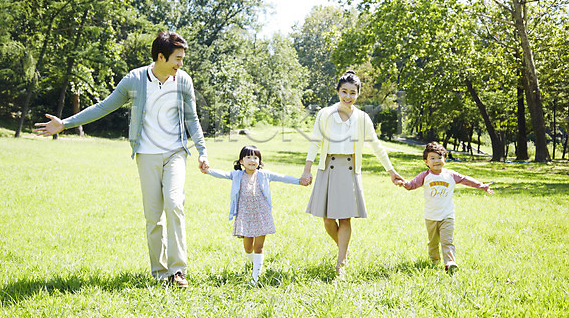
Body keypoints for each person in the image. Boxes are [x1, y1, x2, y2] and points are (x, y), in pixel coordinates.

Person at [34, 31, 208, 288]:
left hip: (175, 152)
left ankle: (178, 270)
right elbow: (104, 106)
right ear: (161, 57)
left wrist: (202, 151)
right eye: (177, 58)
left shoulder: (183, 80)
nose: (181, 64)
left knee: (174, 204)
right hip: (146, 154)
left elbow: (192, 118)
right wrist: (66, 123)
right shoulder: (135, 79)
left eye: (182, 59)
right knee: (153, 216)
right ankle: (161, 274)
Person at [300, 70, 404, 278]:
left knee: (345, 219)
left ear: (358, 94)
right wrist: (307, 169)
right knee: (328, 220)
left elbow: (376, 145)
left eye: (352, 93)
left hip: (349, 170)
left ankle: (341, 264)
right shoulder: (325, 114)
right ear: (338, 91)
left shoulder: (363, 118)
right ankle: (344, 249)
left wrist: (391, 171)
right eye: (344, 91)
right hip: (327, 168)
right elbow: (315, 142)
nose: (348, 96)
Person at [202, 145, 307, 285]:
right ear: (241, 161)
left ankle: (255, 277)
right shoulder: (237, 175)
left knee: (258, 247)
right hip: (245, 215)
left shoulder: (264, 175)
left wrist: (299, 181)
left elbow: (282, 177)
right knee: (248, 247)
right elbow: (222, 174)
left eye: (255, 158)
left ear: (259, 161)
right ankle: (253, 264)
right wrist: (207, 171)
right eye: (248, 157)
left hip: (261, 214)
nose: (252, 160)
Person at [396, 141, 493, 274]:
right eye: (432, 158)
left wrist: (481, 186)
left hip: (447, 216)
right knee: (433, 243)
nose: (437, 161)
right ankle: (434, 262)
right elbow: (412, 185)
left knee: (447, 241)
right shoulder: (425, 176)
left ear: (445, 158)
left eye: (439, 157)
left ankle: (450, 263)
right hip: (431, 216)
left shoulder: (450, 175)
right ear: (426, 162)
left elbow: (465, 179)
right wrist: (404, 183)